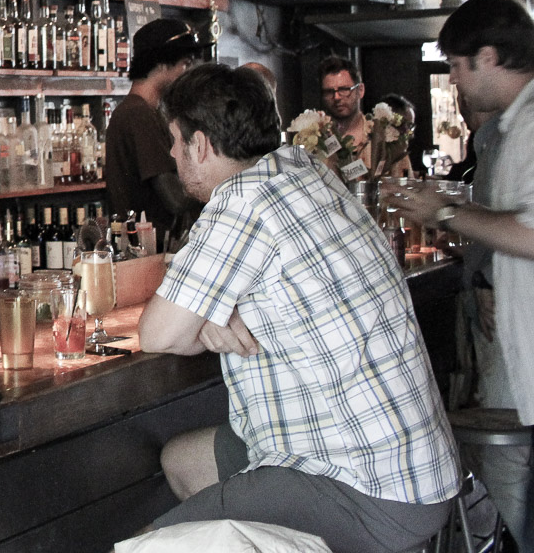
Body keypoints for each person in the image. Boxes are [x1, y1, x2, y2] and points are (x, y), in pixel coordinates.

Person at [140, 64, 459, 553]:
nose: (170, 153)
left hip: (362, 486)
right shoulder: (304, 168)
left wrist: (205, 319)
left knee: (151, 546)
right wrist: (216, 315)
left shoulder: (242, 200)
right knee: (183, 461)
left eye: (175, 141)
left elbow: (158, 335)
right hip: (418, 468)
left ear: (200, 145)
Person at [396, 0, 534, 552]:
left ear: (489, 56)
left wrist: (446, 212)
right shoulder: (511, 124)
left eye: (456, 65)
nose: (453, 80)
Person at [105, 18, 202, 250]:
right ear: (161, 63)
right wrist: (219, 183)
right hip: (149, 252)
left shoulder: (144, 111)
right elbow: (175, 199)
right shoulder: (138, 115)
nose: (187, 73)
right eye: (185, 64)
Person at [317, 55, 373, 170]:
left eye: (344, 89)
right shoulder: (316, 137)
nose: (336, 97)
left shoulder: (381, 135)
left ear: (360, 90)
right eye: (329, 91)